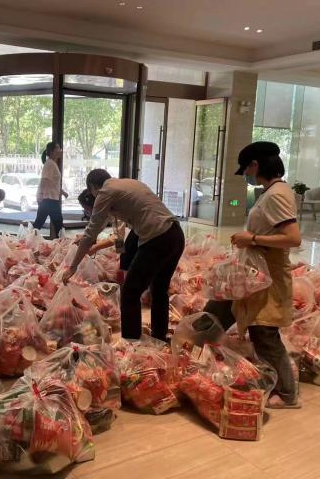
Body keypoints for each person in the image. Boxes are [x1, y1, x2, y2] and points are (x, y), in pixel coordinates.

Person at [204, 141, 302, 409]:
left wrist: (253, 239)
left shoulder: (277, 194)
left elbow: (293, 237)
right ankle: (201, 358)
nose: (246, 175)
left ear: (255, 165)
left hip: (268, 275)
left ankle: (287, 393)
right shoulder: (271, 191)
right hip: (254, 272)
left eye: (246, 169)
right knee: (216, 311)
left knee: (264, 332)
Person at [62, 169, 184, 341]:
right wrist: (120, 259)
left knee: (130, 293)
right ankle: (159, 337)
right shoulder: (127, 185)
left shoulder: (105, 192)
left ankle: (130, 343)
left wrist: (73, 267)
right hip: (176, 234)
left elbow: (91, 233)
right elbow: (118, 235)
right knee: (159, 289)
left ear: (92, 188)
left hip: (157, 238)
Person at [32, 142, 68, 238]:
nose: (60, 150)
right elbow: (44, 180)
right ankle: (62, 243)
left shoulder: (52, 163)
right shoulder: (50, 164)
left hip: (49, 199)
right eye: (58, 148)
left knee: (39, 224)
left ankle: (27, 240)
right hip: (48, 199)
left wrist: (63, 192)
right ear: (52, 151)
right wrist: (40, 195)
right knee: (58, 225)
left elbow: (52, 183)